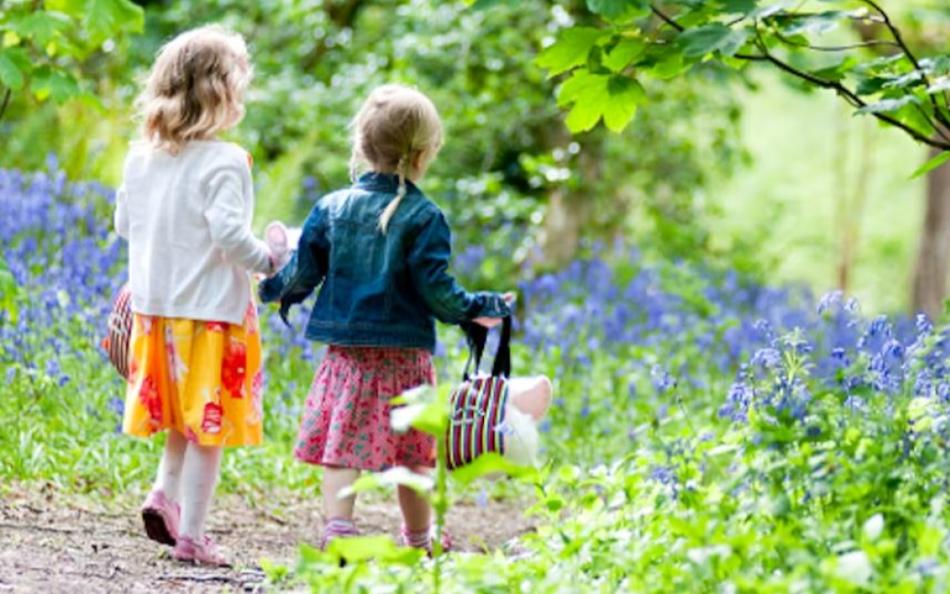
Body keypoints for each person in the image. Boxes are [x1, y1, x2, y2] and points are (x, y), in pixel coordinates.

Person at [259, 83, 512, 554]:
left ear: (362, 144)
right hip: (404, 360)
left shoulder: (330, 207)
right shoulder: (425, 216)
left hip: (348, 357)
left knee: (342, 445)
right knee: (414, 453)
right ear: (422, 154)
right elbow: (437, 290)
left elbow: (303, 273)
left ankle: (338, 530)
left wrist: (269, 286)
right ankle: (419, 538)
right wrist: (479, 308)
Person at [114, 25, 275, 567]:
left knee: (183, 419)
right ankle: (194, 537)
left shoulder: (140, 158)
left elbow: (122, 224)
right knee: (209, 431)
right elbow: (231, 238)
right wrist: (271, 260)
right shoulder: (226, 161)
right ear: (222, 93)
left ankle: (163, 495)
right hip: (210, 318)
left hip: (154, 314)